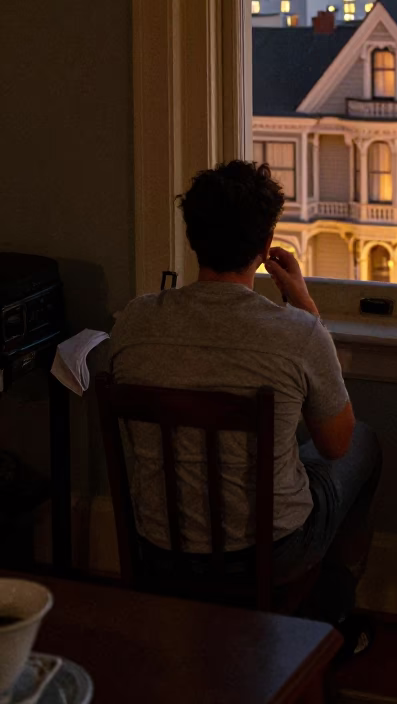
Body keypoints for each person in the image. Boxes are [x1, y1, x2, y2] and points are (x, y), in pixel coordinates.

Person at [110, 159, 381, 648]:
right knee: (363, 443)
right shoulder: (297, 333)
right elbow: (336, 443)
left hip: (158, 546)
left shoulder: (133, 322)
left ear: (193, 237)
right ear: (264, 246)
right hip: (265, 552)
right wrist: (305, 306)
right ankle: (328, 609)